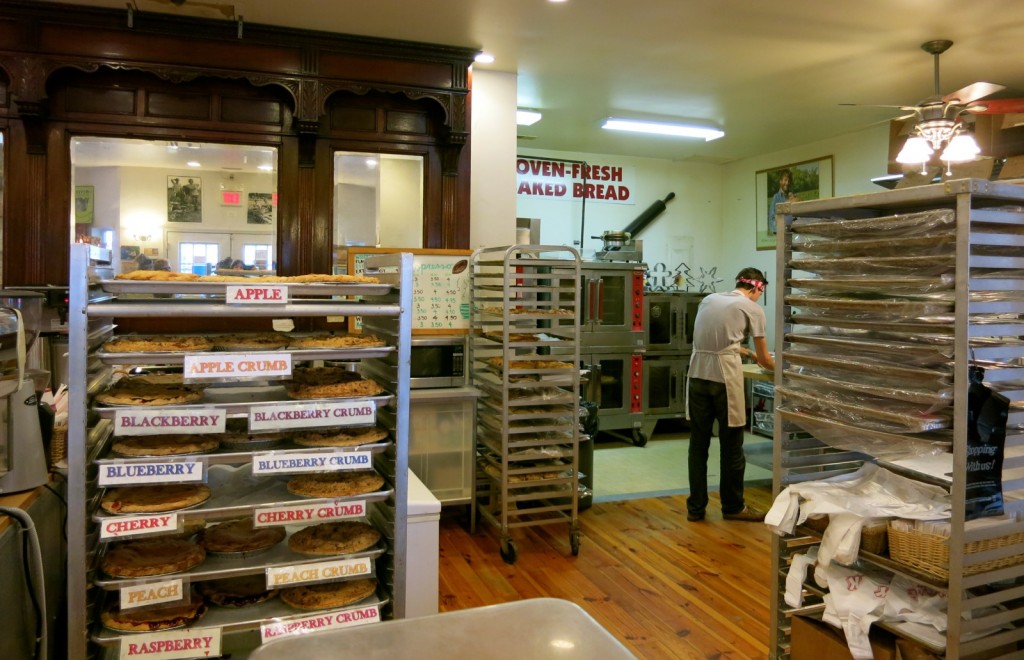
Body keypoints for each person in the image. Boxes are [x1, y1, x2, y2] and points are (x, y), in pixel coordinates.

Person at [685, 267, 775, 522]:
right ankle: (733, 507)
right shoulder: (752, 308)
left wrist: (745, 353)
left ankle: (695, 509)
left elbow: (717, 342)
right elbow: (767, 361)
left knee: (698, 445)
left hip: (697, 374)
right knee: (732, 445)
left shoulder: (709, 299)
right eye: (760, 293)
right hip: (724, 379)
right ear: (758, 287)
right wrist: (786, 370)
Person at [768, 169, 797, 235]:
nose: (787, 183)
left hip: (793, 236)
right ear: (780, 181)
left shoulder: (793, 196)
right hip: (782, 236)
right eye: (785, 180)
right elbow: (771, 220)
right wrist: (781, 229)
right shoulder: (776, 198)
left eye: (789, 181)